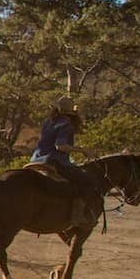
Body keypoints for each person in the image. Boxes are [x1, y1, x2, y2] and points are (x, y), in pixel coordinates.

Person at [29, 95, 101, 225]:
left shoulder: (48, 122)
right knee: (88, 181)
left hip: (36, 159)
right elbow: (60, 146)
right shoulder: (66, 123)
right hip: (53, 161)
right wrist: (83, 150)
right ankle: (77, 216)